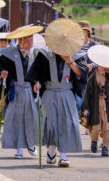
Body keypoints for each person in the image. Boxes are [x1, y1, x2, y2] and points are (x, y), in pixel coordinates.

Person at [26, 19, 87, 168]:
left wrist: (70, 61)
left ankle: (64, 155)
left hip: (67, 91)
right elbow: (35, 73)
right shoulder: (45, 54)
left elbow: (82, 74)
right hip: (50, 91)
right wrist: (36, 84)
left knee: (67, 122)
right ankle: (51, 149)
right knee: (51, 122)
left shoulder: (78, 55)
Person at [0, 26, 43, 159]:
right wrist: (2, 74)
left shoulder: (34, 54)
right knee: (15, 119)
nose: (30, 43)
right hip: (15, 89)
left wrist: (37, 83)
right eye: (27, 41)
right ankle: (18, 149)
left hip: (29, 90)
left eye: (31, 40)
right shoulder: (9, 53)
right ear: (20, 41)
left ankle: (30, 144)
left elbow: (38, 72)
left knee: (32, 118)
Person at [82, 45, 109, 156]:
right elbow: (87, 94)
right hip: (96, 105)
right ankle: (94, 140)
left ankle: (105, 147)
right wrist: (86, 109)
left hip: (108, 106)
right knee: (96, 127)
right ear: (97, 65)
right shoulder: (92, 78)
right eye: (103, 65)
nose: (106, 67)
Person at [74, 20, 99, 112]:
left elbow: (100, 60)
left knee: (88, 107)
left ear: (88, 32)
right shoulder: (73, 45)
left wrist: (92, 65)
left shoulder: (94, 45)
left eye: (83, 31)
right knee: (77, 104)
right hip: (76, 78)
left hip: (90, 79)